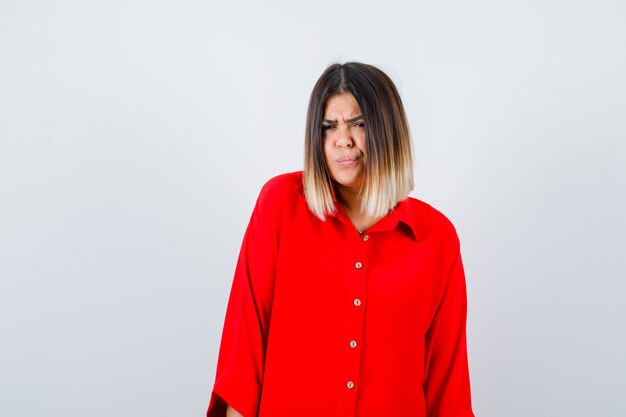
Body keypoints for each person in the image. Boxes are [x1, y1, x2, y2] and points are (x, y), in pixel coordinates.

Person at [206, 62, 475, 417]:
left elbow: (448, 383)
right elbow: (244, 352)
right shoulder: (279, 206)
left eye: (358, 124)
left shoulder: (435, 237)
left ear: (388, 131)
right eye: (328, 126)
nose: (342, 140)